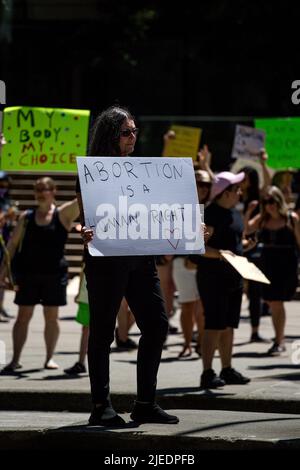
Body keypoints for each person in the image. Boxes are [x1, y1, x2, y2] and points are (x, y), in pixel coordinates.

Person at [77, 105, 179, 426]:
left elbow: (156, 211)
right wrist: (84, 230)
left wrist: (186, 227)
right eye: (126, 132)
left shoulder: (141, 169)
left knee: (157, 324)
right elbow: (86, 216)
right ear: (110, 135)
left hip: (140, 257)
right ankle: (100, 406)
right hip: (106, 260)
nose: (133, 137)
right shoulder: (93, 170)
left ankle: (145, 403)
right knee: (103, 331)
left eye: (135, 131)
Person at [0, 177, 79, 371]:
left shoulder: (63, 214)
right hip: (29, 274)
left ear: (54, 191)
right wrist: (2, 271)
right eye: (38, 190)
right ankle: (15, 359)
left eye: (45, 189)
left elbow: (82, 200)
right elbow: (12, 244)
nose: (41, 193)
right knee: (23, 316)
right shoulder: (26, 217)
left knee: (51, 317)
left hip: (54, 274)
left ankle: (49, 358)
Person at [194, 171, 254, 389]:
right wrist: (221, 254)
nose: (240, 192)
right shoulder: (211, 214)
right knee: (214, 325)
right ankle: (207, 372)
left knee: (229, 325)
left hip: (233, 277)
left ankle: (226, 369)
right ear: (225, 193)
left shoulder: (235, 213)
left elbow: (237, 240)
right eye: (236, 188)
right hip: (213, 278)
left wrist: (246, 245)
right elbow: (199, 248)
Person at [246, 186, 300, 355]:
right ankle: (279, 339)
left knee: (277, 302)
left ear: (279, 200)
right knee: (272, 302)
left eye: (272, 201)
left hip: (287, 266)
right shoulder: (262, 219)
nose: (269, 205)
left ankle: (279, 341)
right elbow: (247, 230)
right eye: (266, 202)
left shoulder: (291, 219)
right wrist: (249, 212)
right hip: (267, 265)